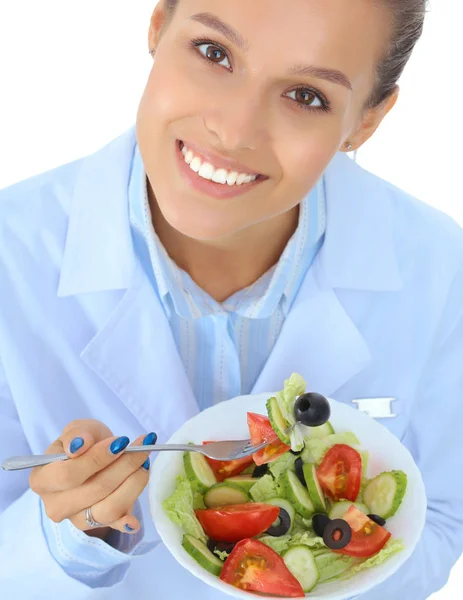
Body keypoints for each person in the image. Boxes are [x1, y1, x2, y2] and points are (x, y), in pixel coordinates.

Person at [0, 0, 462, 598]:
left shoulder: (444, 270)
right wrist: (66, 539)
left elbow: (440, 522)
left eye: (306, 95)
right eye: (214, 53)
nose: (234, 131)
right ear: (158, 26)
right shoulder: (11, 255)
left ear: (366, 122)